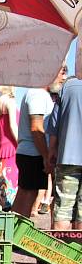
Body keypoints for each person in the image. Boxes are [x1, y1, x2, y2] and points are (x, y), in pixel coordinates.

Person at [11, 65, 67, 218]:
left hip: (30, 153)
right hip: (33, 155)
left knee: (25, 193)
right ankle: (17, 235)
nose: (63, 78)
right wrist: (45, 156)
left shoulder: (38, 93)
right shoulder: (37, 94)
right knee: (28, 195)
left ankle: (12, 234)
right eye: (62, 72)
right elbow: (36, 128)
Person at [47, 76, 82, 230]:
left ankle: (58, 251)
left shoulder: (67, 87)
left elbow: (54, 126)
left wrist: (52, 150)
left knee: (63, 209)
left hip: (67, 156)